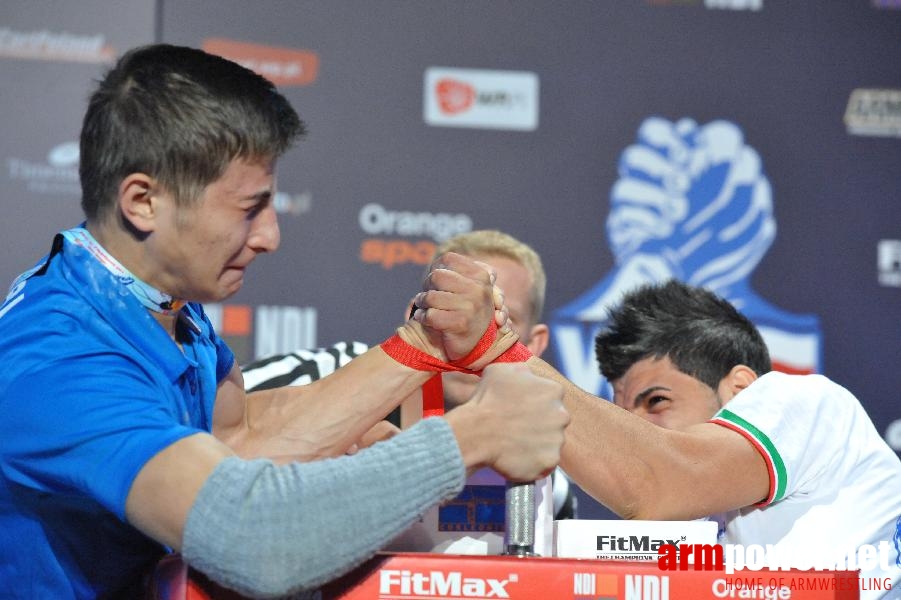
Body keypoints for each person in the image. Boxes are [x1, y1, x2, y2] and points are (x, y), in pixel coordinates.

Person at [0, 44, 569, 599]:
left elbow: (238, 442)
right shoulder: (59, 355)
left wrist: (424, 344)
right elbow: (254, 540)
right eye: (249, 209)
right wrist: (472, 436)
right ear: (143, 201)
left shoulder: (156, 303)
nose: (270, 236)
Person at [530, 278, 900, 597]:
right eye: (625, 414)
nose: (636, 427)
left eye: (657, 401)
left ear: (741, 387)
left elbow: (659, 482)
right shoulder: (682, 523)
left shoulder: (805, 400)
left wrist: (502, 355)